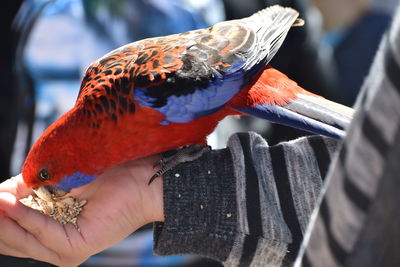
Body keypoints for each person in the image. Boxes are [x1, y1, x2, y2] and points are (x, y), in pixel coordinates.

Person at [1, 4, 400, 267]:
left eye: (46, 178)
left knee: (361, 137)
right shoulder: (97, 78)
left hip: (247, 84)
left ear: (72, 154)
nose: (45, 191)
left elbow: (219, 64)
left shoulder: (149, 97)